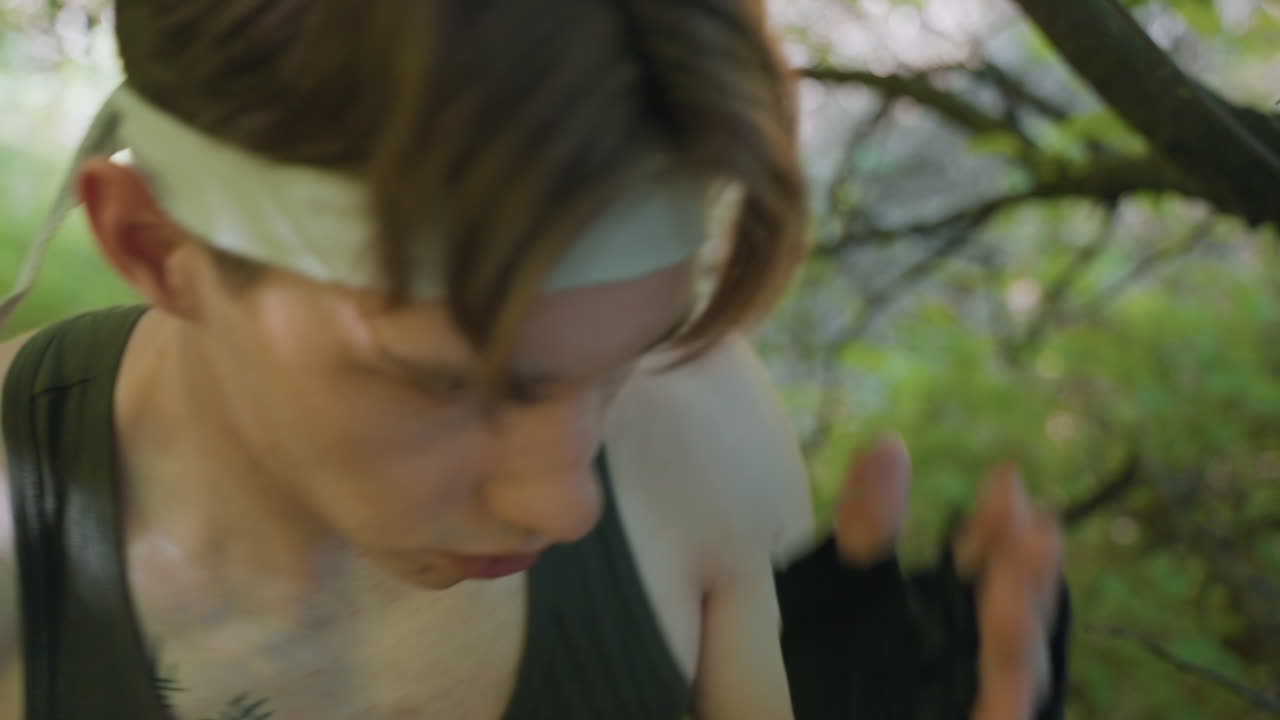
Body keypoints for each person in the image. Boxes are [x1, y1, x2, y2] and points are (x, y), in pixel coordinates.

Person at [0, 1, 1069, 718]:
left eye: (620, 358)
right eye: (446, 383)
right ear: (157, 246)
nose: (564, 505)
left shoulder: (700, 441)